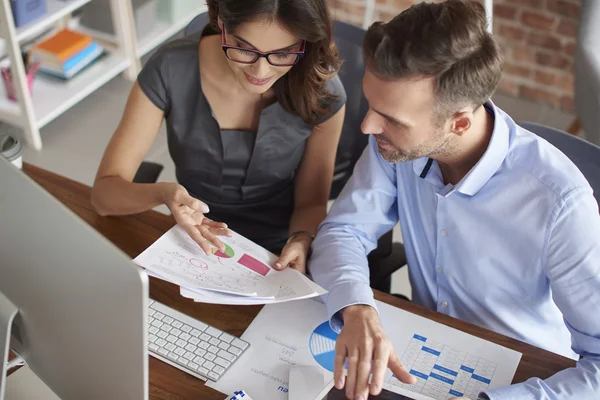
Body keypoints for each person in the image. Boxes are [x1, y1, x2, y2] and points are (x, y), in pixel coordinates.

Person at [309, 1, 600, 400]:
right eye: (372, 107)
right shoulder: (393, 145)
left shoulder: (562, 204)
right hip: (424, 352)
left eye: (391, 118)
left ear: (459, 122)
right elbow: (343, 230)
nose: (368, 126)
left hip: (525, 379)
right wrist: (355, 305)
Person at [91, 0, 346, 273]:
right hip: (190, 238)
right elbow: (103, 197)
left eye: (283, 54)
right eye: (244, 48)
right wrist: (162, 194)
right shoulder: (169, 68)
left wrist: (301, 238)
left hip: (277, 252)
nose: (260, 73)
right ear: (221, 23)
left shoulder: (322, 90)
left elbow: (311, 203)